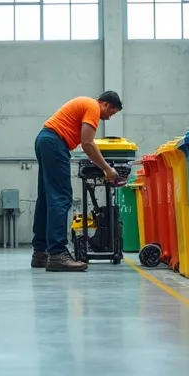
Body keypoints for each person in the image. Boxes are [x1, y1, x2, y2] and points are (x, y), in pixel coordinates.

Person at [31, 92, 124, 272]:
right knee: (61, 198)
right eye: (111, 112)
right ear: (104, 104)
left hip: (45, 139)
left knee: (46, 199)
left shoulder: (85, 103)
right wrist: (107, 169)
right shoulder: (93, 107)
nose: (110, 117)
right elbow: (87, 143)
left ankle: (40, 253)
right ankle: (57, 254)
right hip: (55, 142)